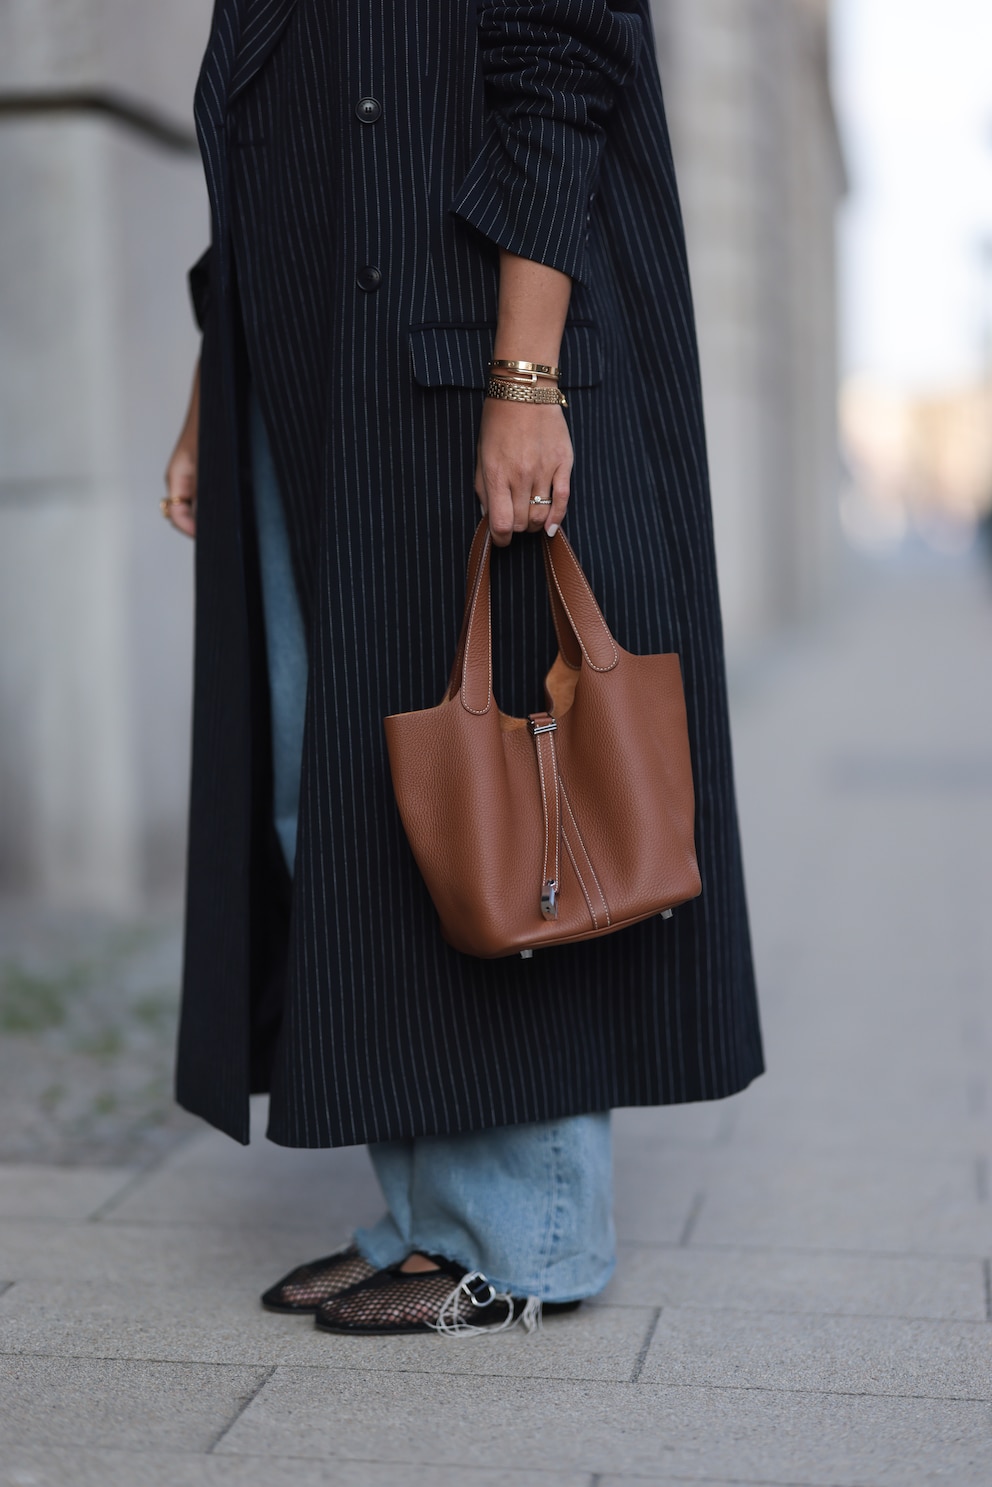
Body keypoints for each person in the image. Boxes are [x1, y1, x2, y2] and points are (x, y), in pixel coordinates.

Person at [163, 0, 763, 1336]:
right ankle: (433, 1216)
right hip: (317, 380)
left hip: (455, 366)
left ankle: (528, 1231)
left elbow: (562, 74)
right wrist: (225, 382)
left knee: (501, 798)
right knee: (371, 806)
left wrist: (527, 373)